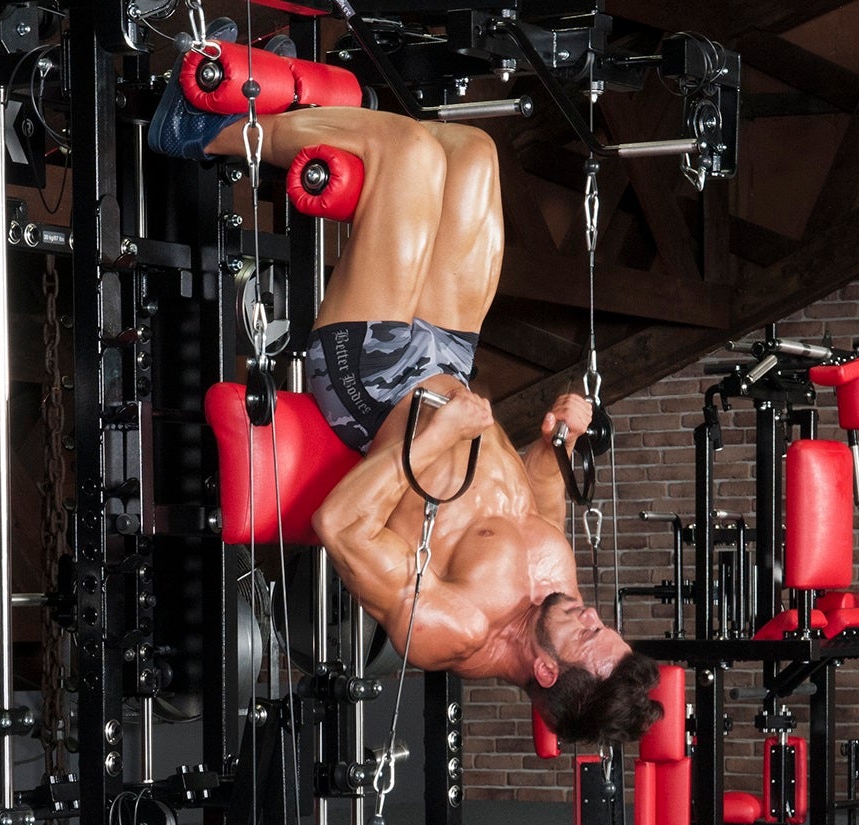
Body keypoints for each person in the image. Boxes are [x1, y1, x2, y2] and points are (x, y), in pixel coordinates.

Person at [150, 24, 662, 745]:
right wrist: (557, 440)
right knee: (473, 153)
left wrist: (437, 439)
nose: (591, 617)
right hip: (447, 365)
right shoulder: (559, 597)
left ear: (546, 672)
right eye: (607, 626)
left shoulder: (450, 630)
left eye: (589, 638)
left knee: (407, 153)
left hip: (372, 386)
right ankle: (262, 102)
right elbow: (540, 505)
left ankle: (197, 131)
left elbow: (339, 526)